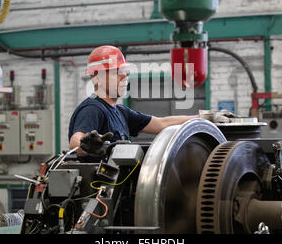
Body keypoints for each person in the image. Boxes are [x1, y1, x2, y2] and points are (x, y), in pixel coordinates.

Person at [68, 45, 199, 162]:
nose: (124, 77)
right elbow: (75, 143)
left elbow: (160, 124)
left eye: (124, 71)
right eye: (117, 72)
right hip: (98, 186)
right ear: (97, 78)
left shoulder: (121, 112)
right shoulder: (92, 109)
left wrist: (201, 119)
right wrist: (86, 146)